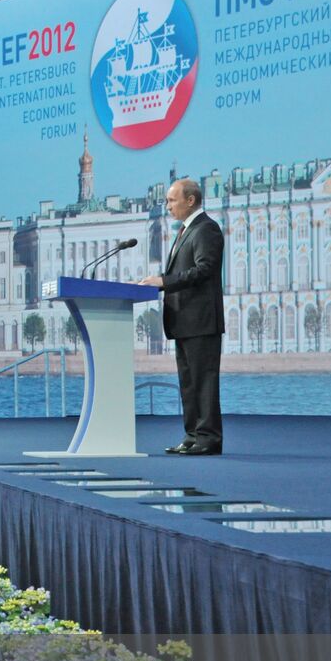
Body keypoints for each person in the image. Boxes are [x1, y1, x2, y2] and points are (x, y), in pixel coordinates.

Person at [139, 177, 225, 455]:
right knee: (188, 383)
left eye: (172, 200)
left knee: (203, 382)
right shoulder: (186, 230)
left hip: (201, 321)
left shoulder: (206, 229)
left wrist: (164, 281)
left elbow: (203, 270)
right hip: (185, 321)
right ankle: (192, 434)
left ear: (190, 200)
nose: (167, 206)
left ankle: (208, 437)